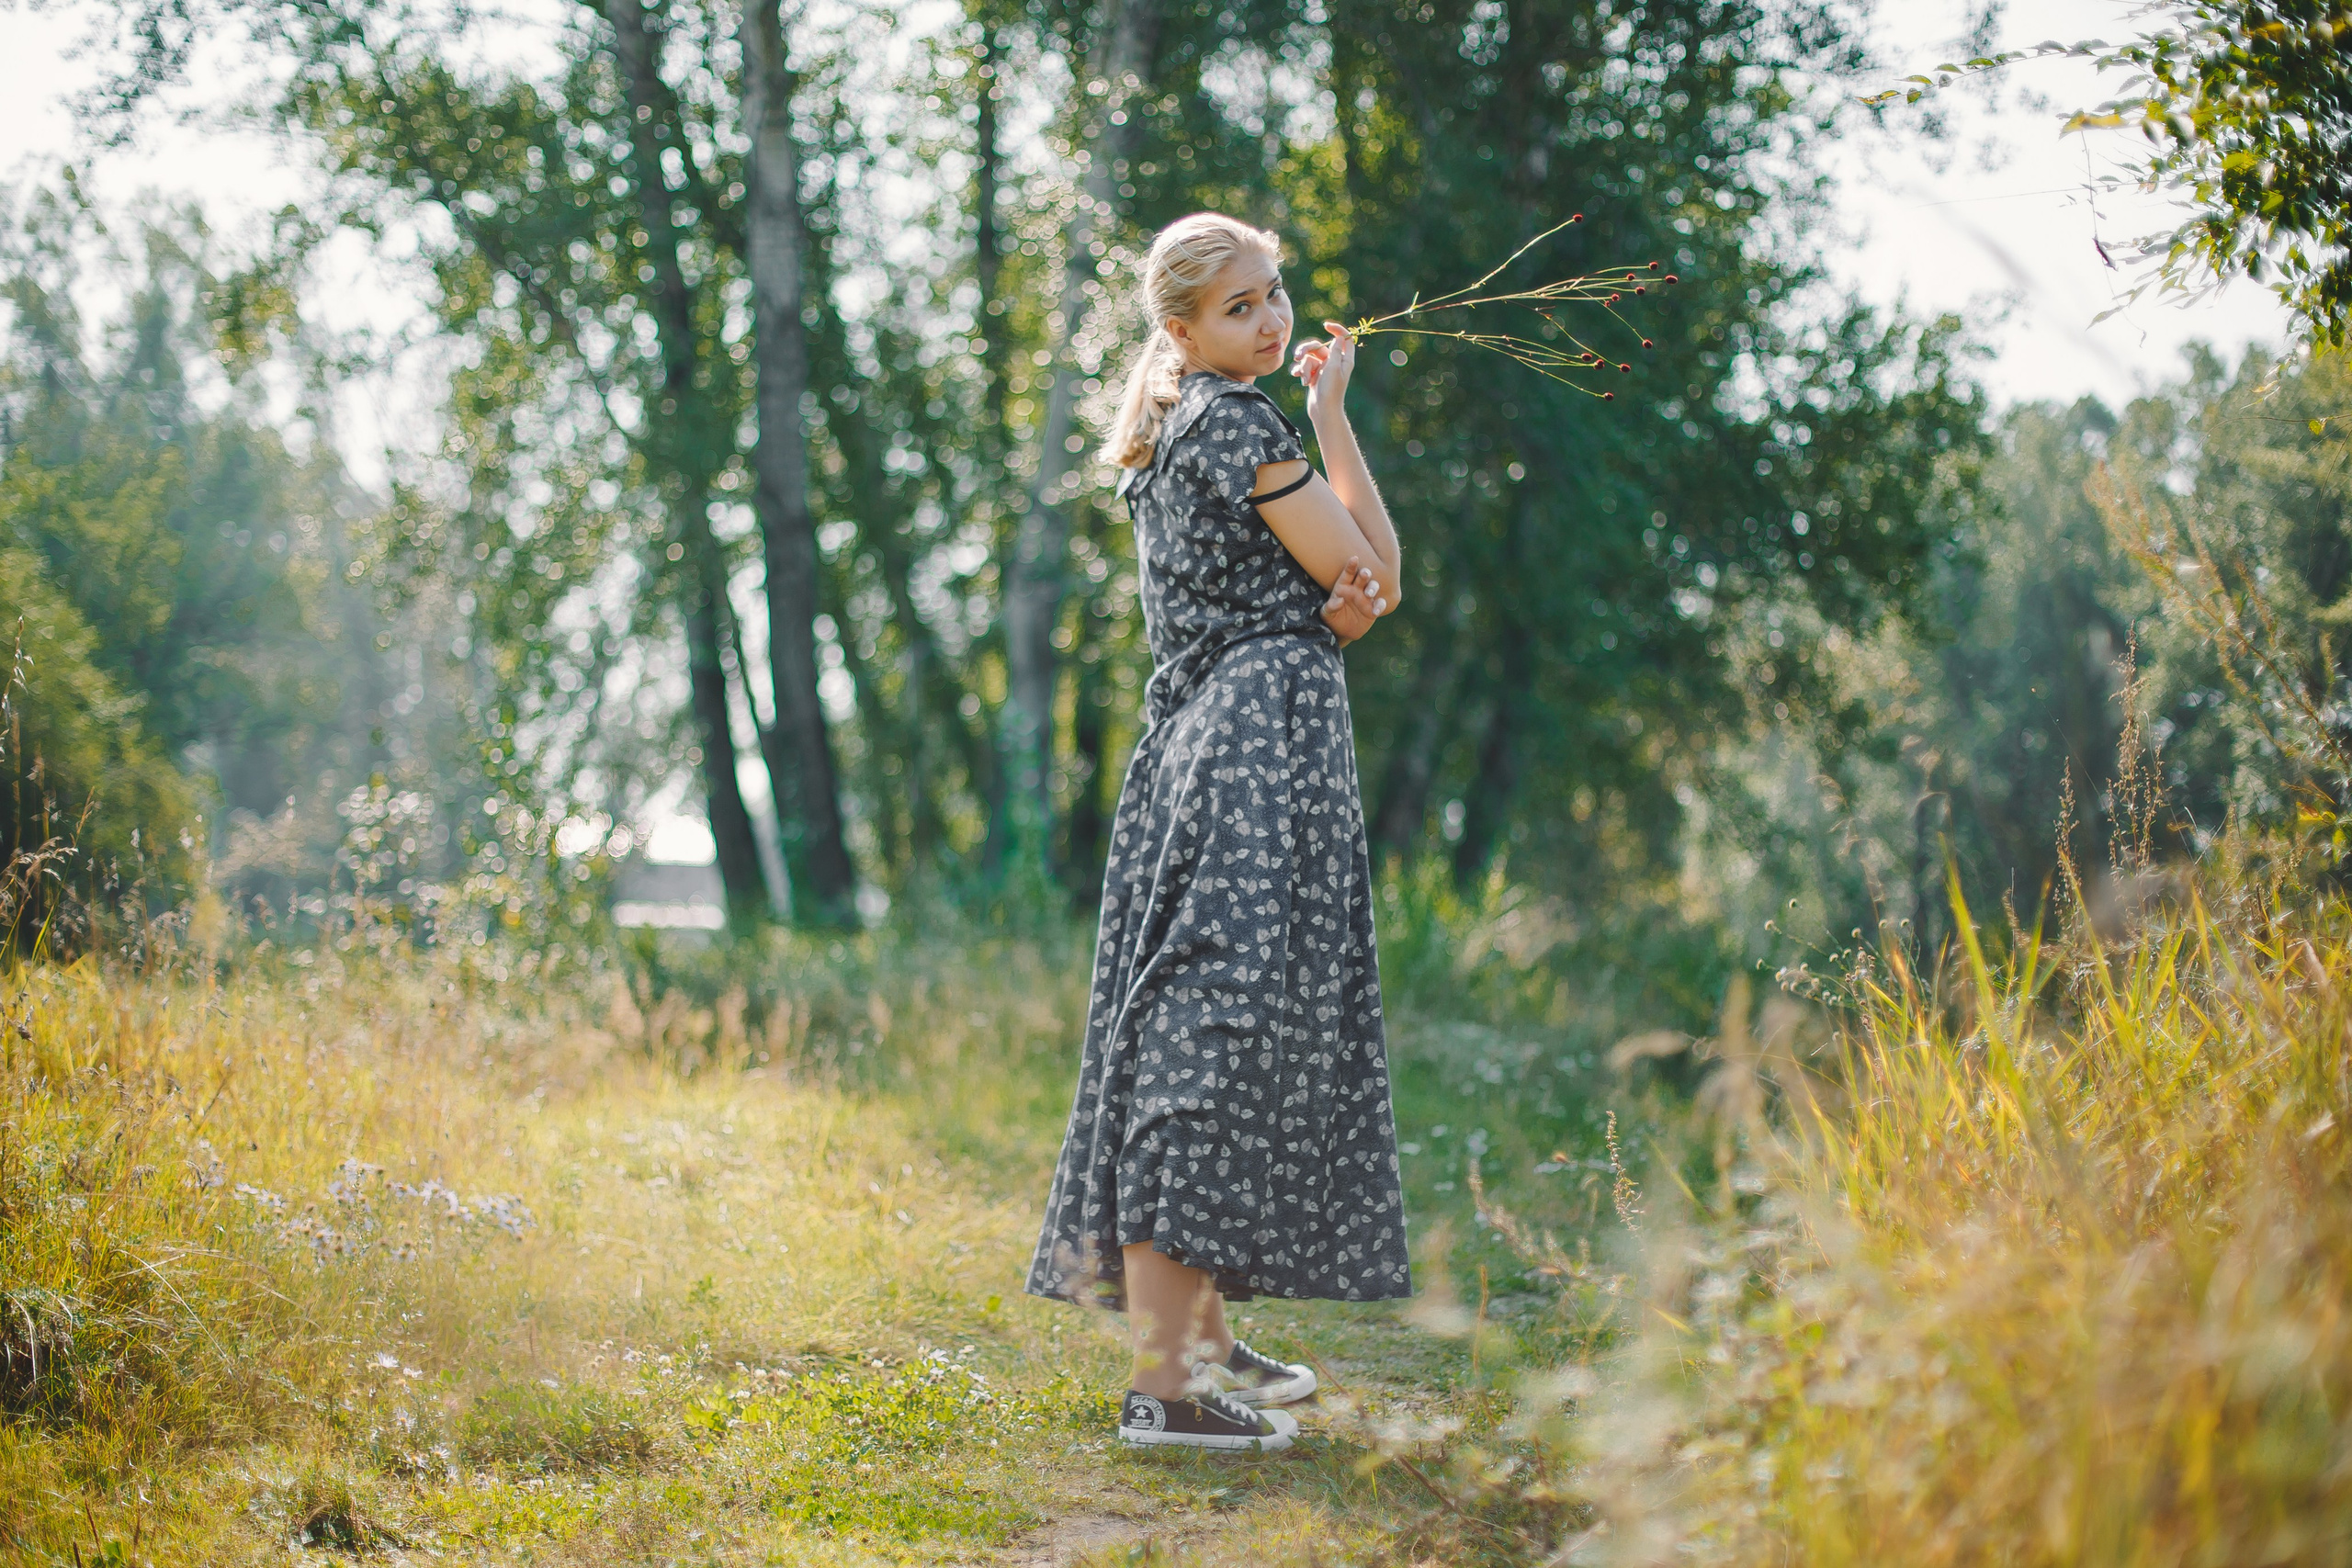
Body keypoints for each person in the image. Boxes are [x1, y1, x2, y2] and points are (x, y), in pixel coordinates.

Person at [1026, 211, 1412, 1453]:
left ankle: (1193, 1338)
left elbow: (1361, 593)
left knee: (1216, 1025)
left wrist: (1331, 428)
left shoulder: (1187, 424)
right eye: (1241, 305)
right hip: (1252, 747)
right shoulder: (1237, 422)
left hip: (1219, 735)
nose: (1272, 319)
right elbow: (1364, 576)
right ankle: (1169, 1380)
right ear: (1181, 328)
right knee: (1209, 1028)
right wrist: (1328, 444)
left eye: (1275, 295)